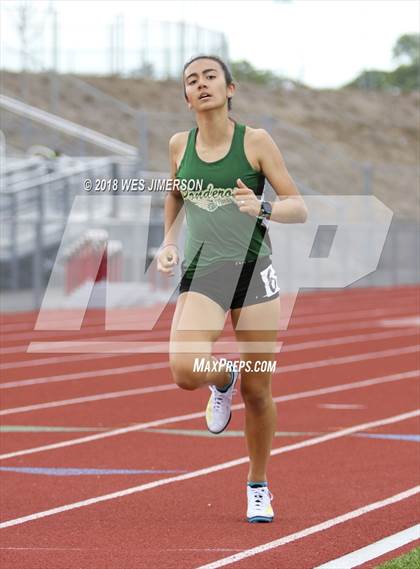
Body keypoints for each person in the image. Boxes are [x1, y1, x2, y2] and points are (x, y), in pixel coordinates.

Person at [158, 55, 307, 523]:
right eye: (191, 80)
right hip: (204, 271)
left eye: (209, 77)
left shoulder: (256, 142)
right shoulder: (179, 145)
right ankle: (222, 378)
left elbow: (298, 208)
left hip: (253, 270)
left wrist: (260, 209)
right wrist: (167, 241)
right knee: (184, 370)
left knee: (259, 391)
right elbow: (176, 193)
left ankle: (258, 484)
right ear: (186, 97)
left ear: (230, 89)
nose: (200, 85)